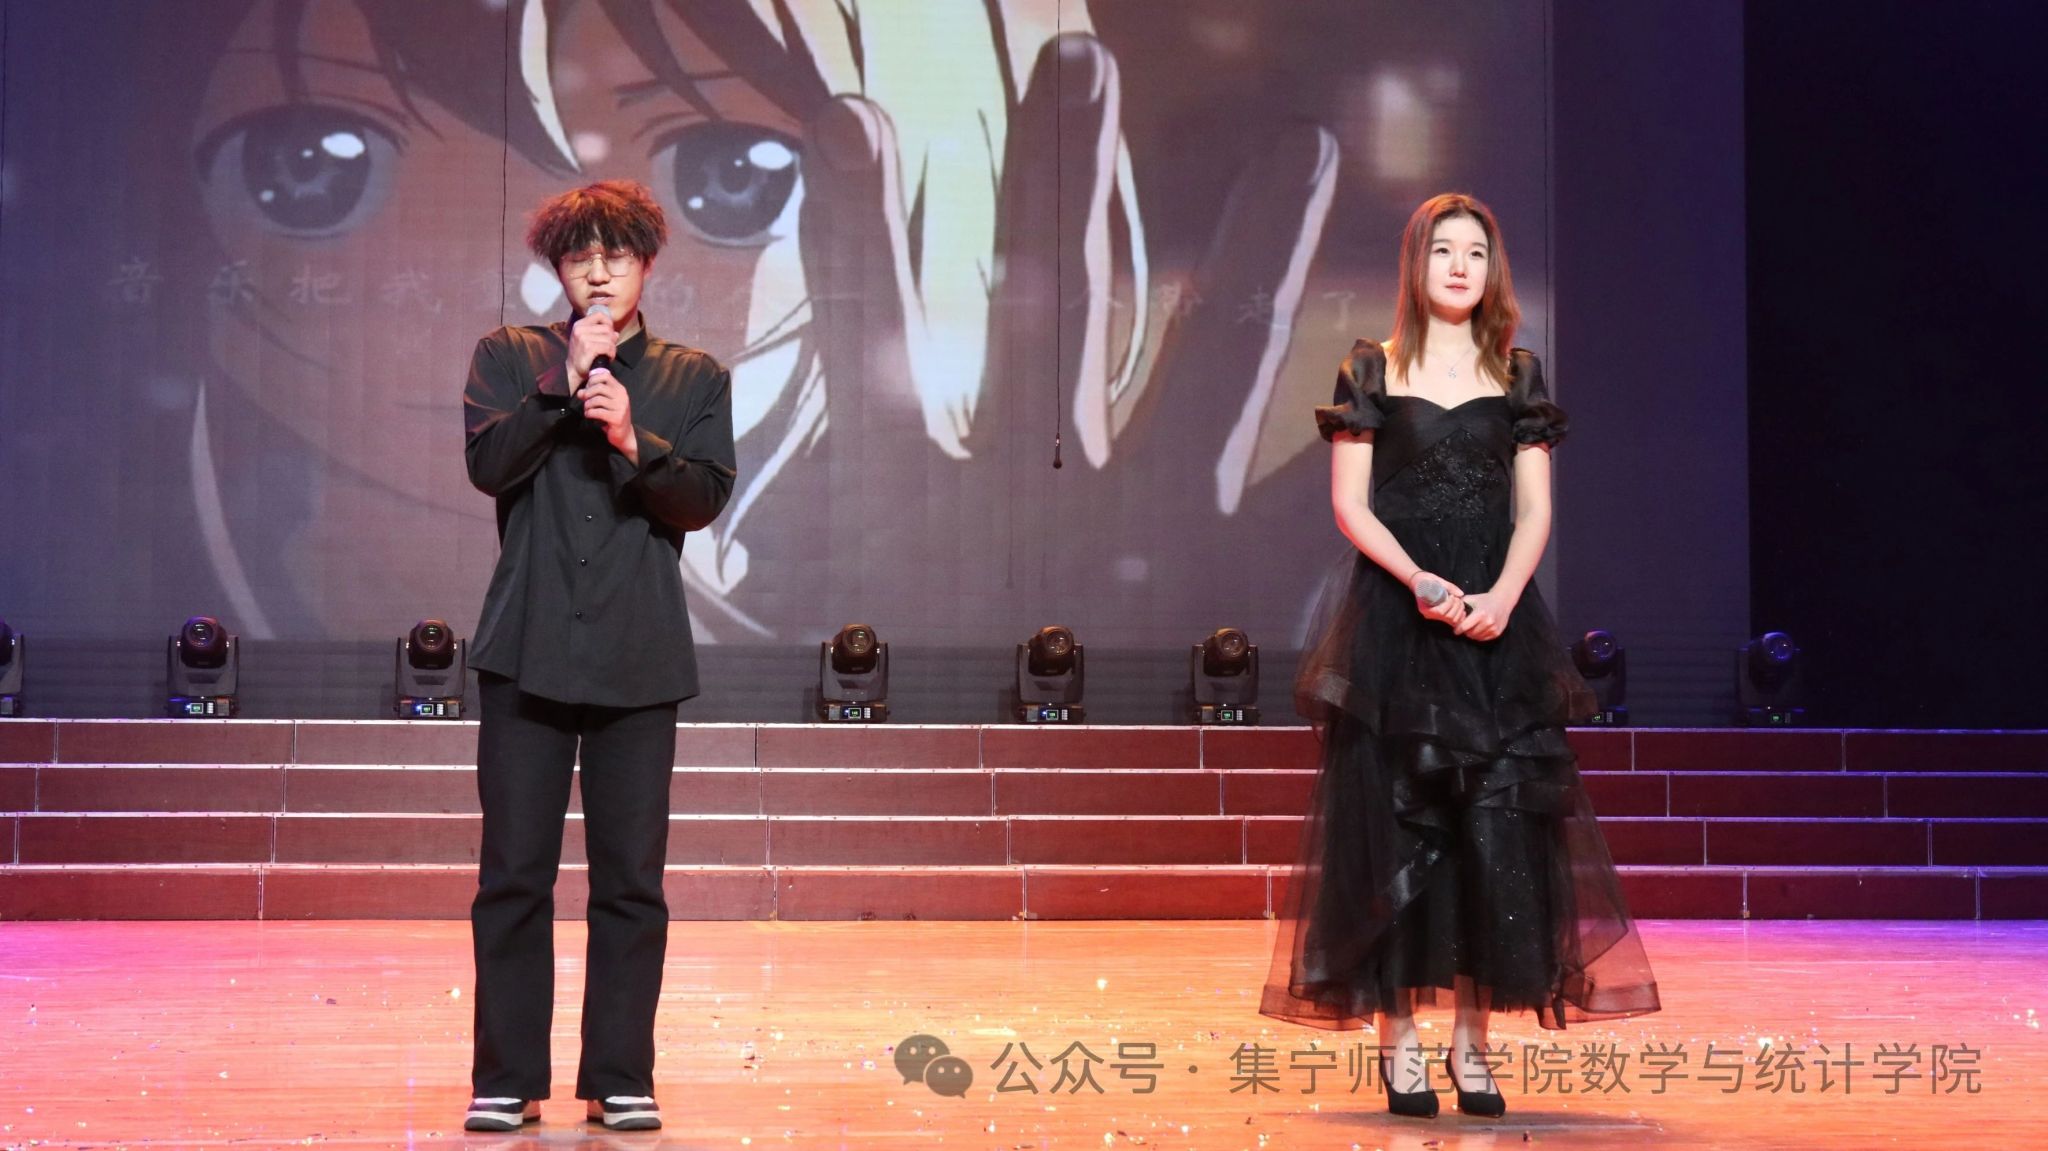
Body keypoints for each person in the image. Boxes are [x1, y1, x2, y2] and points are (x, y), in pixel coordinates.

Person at [1260, 193, 1659, 1120]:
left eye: (1476, 252)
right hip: (1400, 626)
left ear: (1492, 270)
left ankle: (1472, 1045)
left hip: (1495, 627)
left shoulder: (1517, 375)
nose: (1459, 266)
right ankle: (1400, 1044)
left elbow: (1536, 510)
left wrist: (1503, 597)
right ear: (1418, 262)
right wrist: (1419, 581)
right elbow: (1351, 505)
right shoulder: (1372, 367)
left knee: (1495, 831)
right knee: (1396, 825)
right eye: (1444, 250)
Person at [460, 180, 737, 1132]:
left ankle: (620, 1074)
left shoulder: (694, 377)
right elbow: (488, 466)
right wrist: (560, 386)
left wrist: (628, 435)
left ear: (646, 265)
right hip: (526, 649)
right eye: (581, 257)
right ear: (559, 270)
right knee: (513, 875)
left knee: (630, 881)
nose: (600, 273)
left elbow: (701, 498)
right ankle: (507, 1078)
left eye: (617, 255)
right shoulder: (509, 357)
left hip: (638, 654)